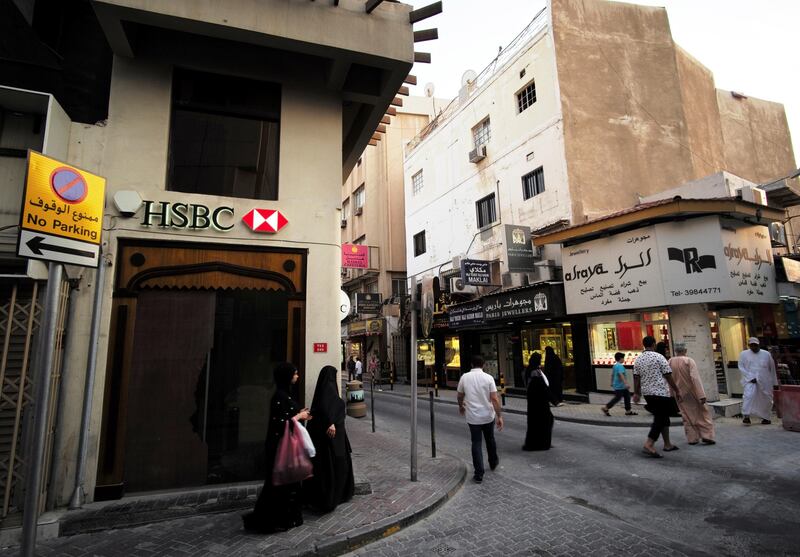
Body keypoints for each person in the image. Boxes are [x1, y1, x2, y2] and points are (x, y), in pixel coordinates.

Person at [243, 362, 311, 533]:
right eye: (295, 373)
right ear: (287, 376)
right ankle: (273, 519)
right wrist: (299, 415)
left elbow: (287, 417)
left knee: (286, 484)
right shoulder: (279, 396)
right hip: (280, 448)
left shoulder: (285, 394)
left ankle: (286, 518)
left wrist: (299, 414)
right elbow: (280, 424)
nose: (297, 376)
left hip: (286, 447)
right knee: (279, 485)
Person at [304, 365, 355, 513]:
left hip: (329, 441)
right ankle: (336, 495)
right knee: (336, 467)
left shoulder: (321, 395)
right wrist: (331, 421)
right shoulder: (329, 394)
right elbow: (330, 410)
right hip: (333, 442)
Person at [457, 355, 504, 484]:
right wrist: (499, 416)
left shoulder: (464, 377)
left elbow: (459, 395)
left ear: (472, 365)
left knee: (476, 442)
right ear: (483, 365)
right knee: (490, 439)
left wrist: (461, 406)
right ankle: (493, 462)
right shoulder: (488, 378)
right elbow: (494, 399)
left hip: (473, 417)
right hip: (488, 415)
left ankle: (479, 474)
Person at [633, 336, 681, 458]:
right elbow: (668, 375)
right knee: (660, 419)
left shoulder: (638, 359)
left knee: (663, 417)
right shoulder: (659, 357)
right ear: (654, 344)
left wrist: (636, 393)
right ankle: (649, 443)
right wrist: (677, 390)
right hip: (660, 393)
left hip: (647, 393)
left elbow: (636, 378)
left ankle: (667, 444)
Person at [669, 344, 715, 445]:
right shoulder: (689, 361)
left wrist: (671, 393)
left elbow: (668, 378)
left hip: (679, 393)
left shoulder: (671, 361)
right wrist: (701, 394)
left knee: (686, 415)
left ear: (675, 351)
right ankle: (707, 435)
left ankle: (692, 438)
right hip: (692, 392)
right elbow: (695, 378)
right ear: (685, 350)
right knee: (702, 413)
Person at [738, 337, 777, 425]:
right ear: (749, 345)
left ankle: (766, 418)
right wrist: (750, 377)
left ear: (758, 345)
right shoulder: (743, 354)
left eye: (755, 345)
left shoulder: (766, 354)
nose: (754, 347)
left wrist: (775, 382)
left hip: (765, 381)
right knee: (748, 396)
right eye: (752, 345)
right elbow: (741, 367)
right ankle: (746, 416)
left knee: (766, 398)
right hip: (750, 380)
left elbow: (772, 368)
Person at [522, 353, 555, 451]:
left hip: (533, 401)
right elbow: (542, 387)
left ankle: (537, 443)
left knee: (535, 422)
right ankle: (543, 443)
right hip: (539, 402)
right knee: (545, 421)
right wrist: (554, 400)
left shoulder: (531, 370)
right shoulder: (535, 372)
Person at [601, 352, 637, 417]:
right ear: (620, 358)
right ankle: (606, 408)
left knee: (627, 397)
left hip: (619, 385)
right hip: (620, 386)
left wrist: (611, 382)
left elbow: (612, 374)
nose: (624, 359)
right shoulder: (620, 366)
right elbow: (621, 375)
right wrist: (626, 383)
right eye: (623, 358)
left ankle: (628, 411)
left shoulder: (615, 365)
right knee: (617, 398)